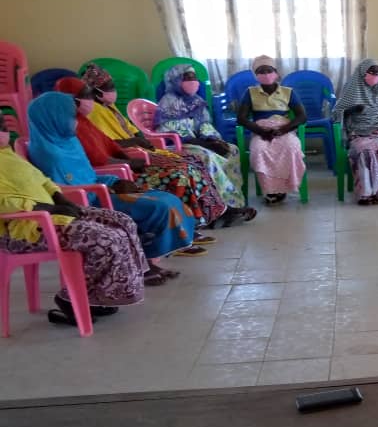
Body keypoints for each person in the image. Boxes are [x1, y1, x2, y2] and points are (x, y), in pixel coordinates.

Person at [27, 92, 198, 286]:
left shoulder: (68, 142)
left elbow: (88, 174)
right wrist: (107, 188)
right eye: (71, 116)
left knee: (168, 199)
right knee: (157, 207)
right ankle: (143, 265)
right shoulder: (49, 154)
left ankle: (147, 261)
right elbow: (66, 190)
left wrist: (114, 182)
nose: (76, 122)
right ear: (54, 117)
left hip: (101, 190)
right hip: (88, 201)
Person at [0, 121, 147, 327]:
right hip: (23, 229)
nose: (2, 133)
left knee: (122, 222)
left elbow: (43, 180)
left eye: (3, 128)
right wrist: (48, 208)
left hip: (51, 214)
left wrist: (60, 199)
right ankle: (69, 299)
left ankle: (98, 297)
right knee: (105, 239)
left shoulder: (9, 156)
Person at [81, 63, 251, 225]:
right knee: (192, 164)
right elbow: (110, 144)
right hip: (138, 155)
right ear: (95, 92)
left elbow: (133, 131)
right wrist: (136, 142)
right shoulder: (95, 113)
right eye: (109, 87)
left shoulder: (110, 108)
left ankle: (221, 206)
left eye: (113, 86)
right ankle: (206, 216)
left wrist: (211, 138)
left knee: (206, 158)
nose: (113, 90)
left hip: (143, 151)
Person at [55, 76, 223, 239]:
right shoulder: (75, 125)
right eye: (85, 95)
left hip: (120, 168)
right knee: (181, 174)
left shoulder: (90, 118)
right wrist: (129, 162)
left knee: (190, 164)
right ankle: (186, 230)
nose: (89, 99)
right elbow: (98, 159)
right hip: (116, 175)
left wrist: (137, 144)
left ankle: (205, 217)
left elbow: (109, 144)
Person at [151, 64, 250, 216]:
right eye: (187, 78)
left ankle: (233, 200)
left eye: (194, 78)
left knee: (232, 150)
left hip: (199, 141)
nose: (193, 82)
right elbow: (171, 129)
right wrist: (204, 143)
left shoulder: (196, 100)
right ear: (175, 80)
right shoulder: (168, 102)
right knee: (206, 156)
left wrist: (213, 140)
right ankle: (217, 207)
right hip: (178, 144)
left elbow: (204, 124)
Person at [237, 55, 307, 205]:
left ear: (276, 73)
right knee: (259, 150)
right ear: (256, 75)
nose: (266, 75)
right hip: (261, 130)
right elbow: (241, 118)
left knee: (291, 147)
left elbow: (302, 116)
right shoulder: (250, 93)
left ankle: (285, 187)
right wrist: (261, 131)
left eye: (269, 70)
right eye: (261, 72)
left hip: (284, 128)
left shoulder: (288, 92)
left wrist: (283, 130)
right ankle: (270, 190)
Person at [332, 58, 378, 204]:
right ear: (362, 73)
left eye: (377, 72)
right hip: (357, 131)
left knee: (377, 148)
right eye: (371, 72)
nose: (374, 76)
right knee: (364, 149)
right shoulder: (352, 88)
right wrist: (352, 109)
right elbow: (336, 112)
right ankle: (365, 194)